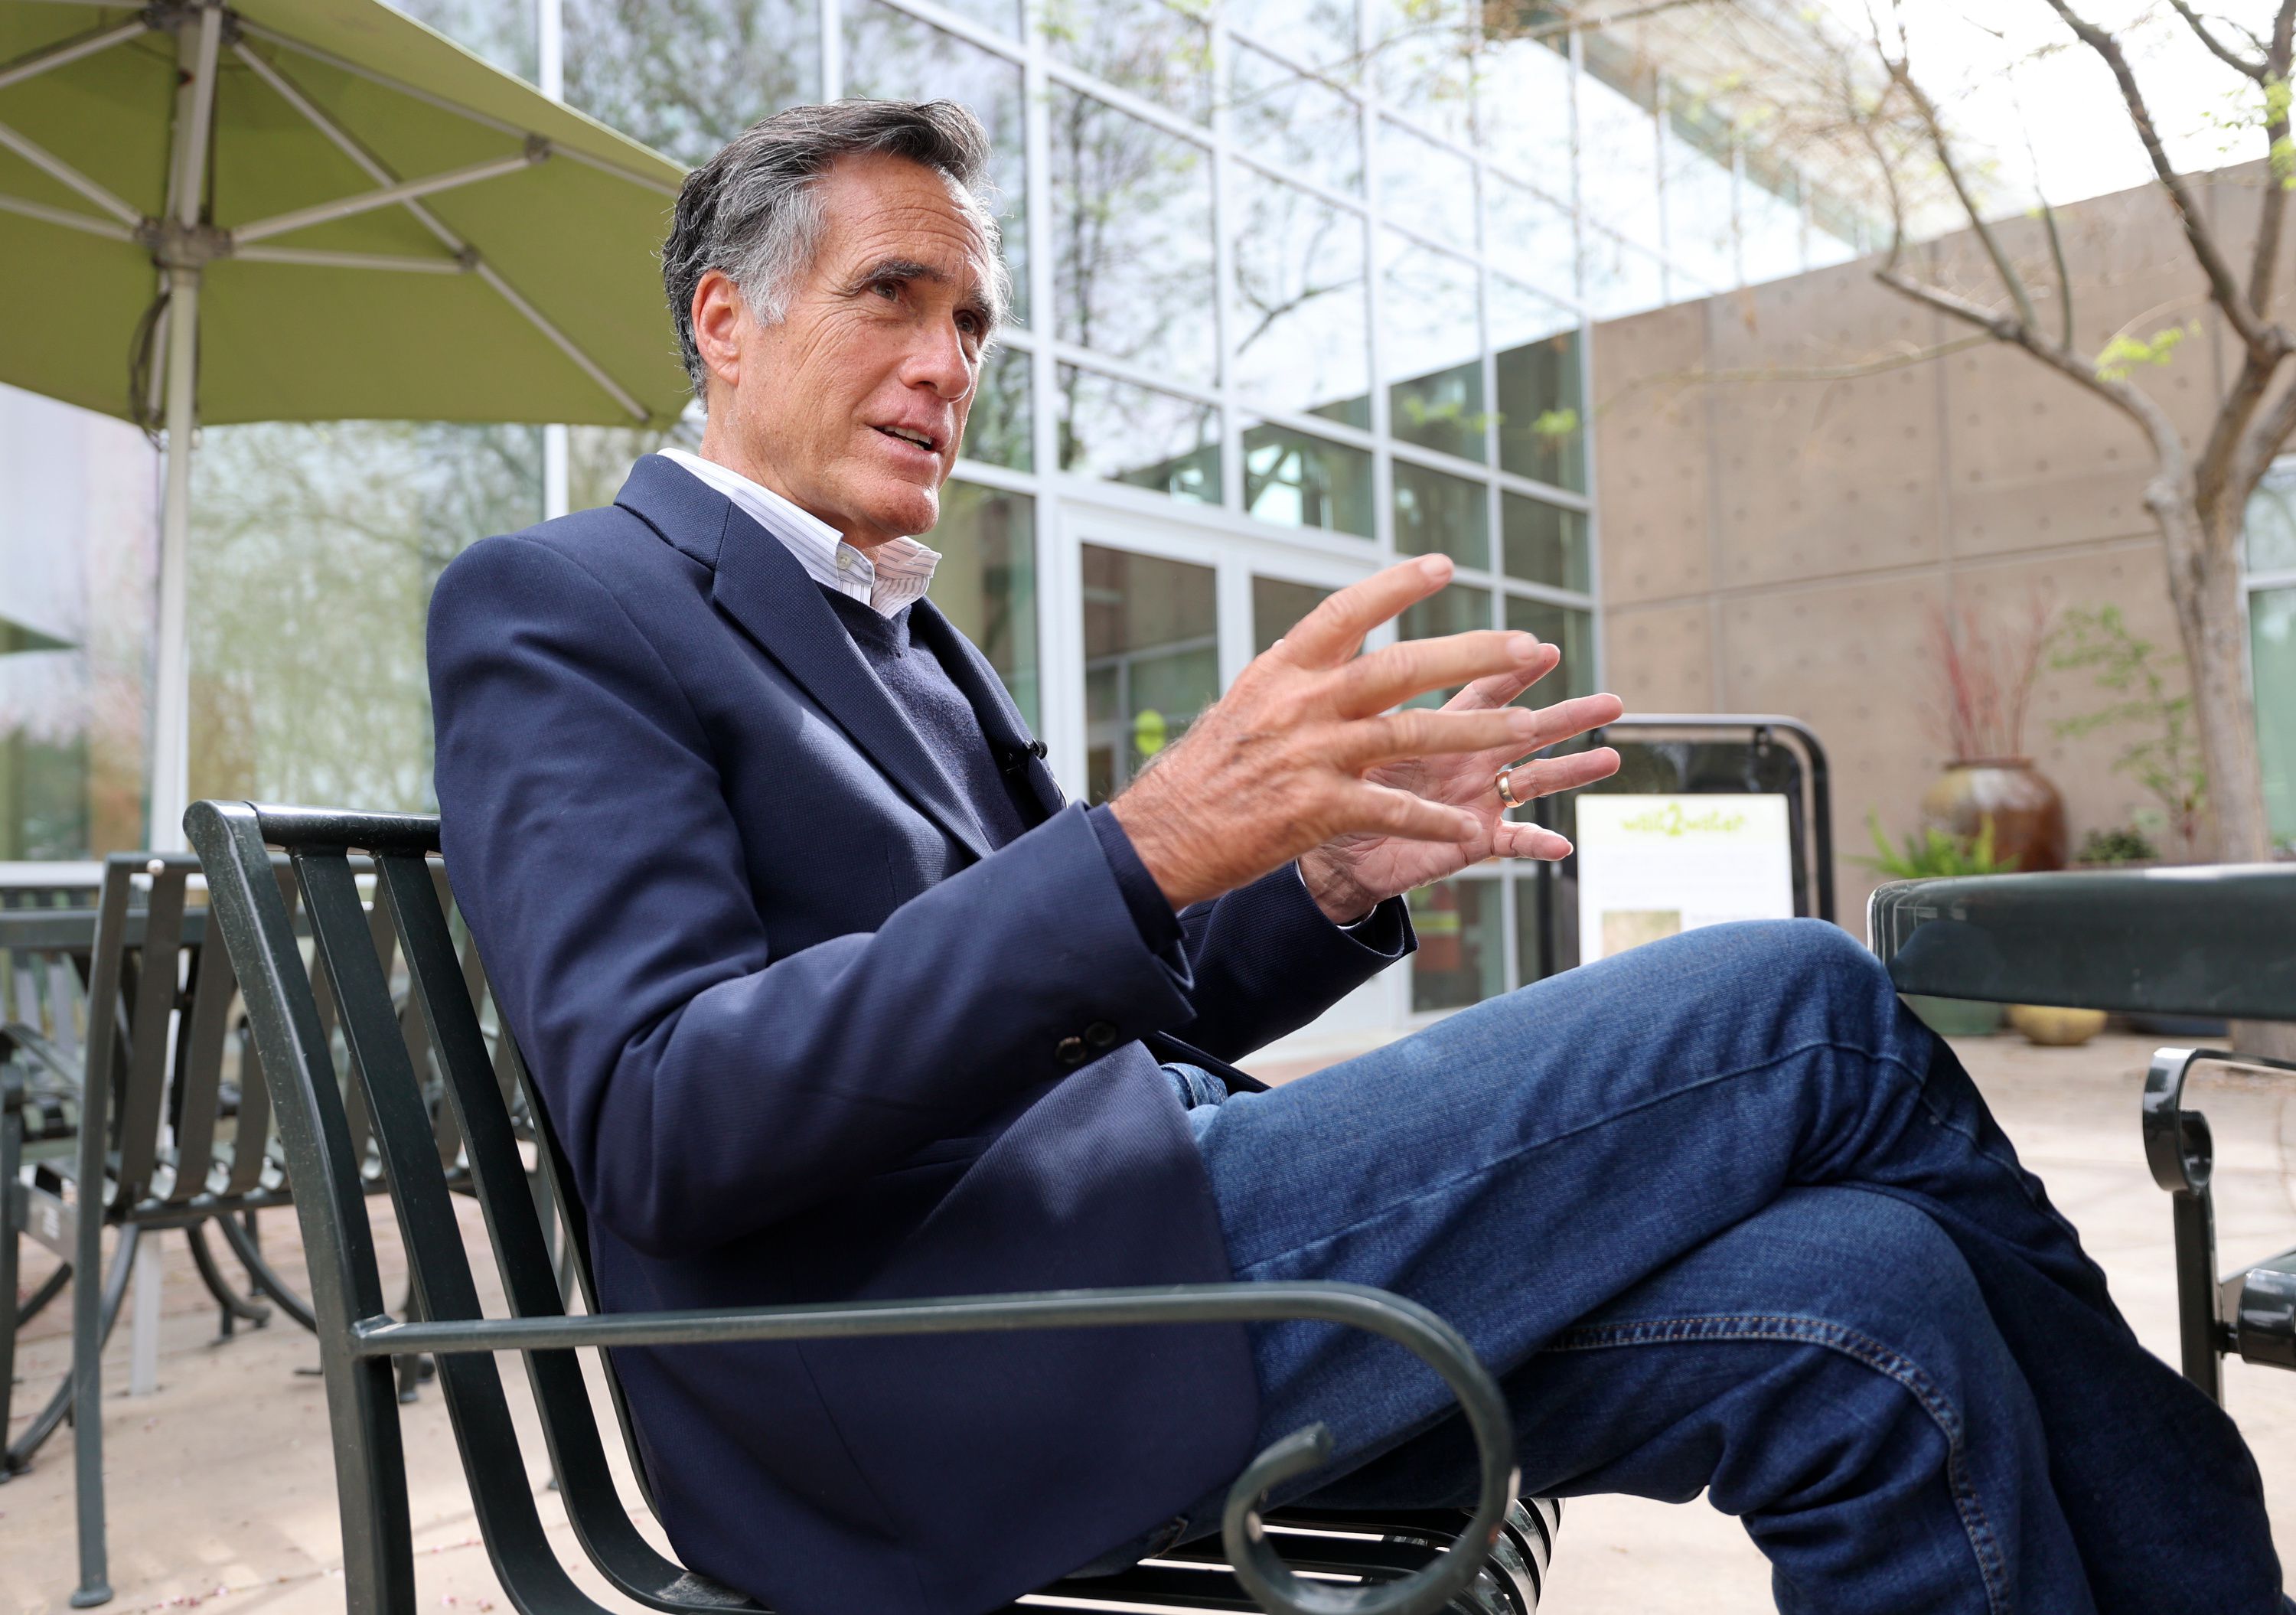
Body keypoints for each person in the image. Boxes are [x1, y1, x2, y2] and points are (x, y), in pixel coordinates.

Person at [426, 99, 2285, 1615]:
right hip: (928, 1367)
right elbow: (667, 1114)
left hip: (1122, 1254)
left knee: (1876, 1301)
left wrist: (1311, 879)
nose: (946, 362)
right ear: (724, 324)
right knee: (1797, 1002)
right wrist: (1148, 839)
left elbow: (1085, 996)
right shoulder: (565, 604)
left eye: (973, 321)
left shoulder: (898, 628)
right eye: (893, 298)